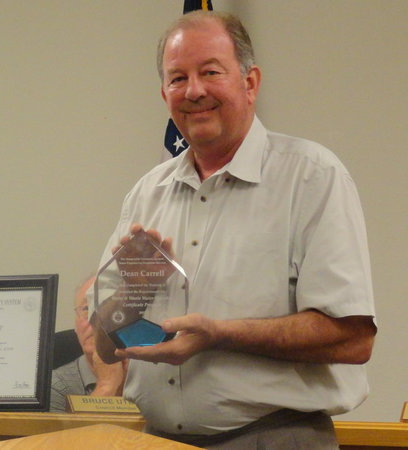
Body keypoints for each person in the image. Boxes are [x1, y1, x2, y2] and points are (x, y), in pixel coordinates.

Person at [92, 11, 376, 449]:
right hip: (157, 440)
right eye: (177, 78)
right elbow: (106, 347)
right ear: (164, 94)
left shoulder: (311, 177)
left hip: (276, 437)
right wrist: (131, 293)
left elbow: (353, 339)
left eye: (210, 72)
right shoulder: (147, 194)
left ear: (250, 82)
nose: (194, 90)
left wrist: (220, 335)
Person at [48, 276, 127, 412]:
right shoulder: (56, 386)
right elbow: (72, 434)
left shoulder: (158, 378)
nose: (96, 321)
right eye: (86, 309)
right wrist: (106, 386)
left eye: (110, 308)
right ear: (76, 325)